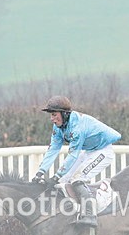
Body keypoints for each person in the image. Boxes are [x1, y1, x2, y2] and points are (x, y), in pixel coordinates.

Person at [31, 95, 121, 227]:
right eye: (51, 115)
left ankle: (90, 215)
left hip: (103, 151)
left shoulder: (77, 128)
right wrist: (40, 172)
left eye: (54, 115)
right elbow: (52, 150)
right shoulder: (58, 127)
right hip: (89, 151)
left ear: (65, 114)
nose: (52, 119)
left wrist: (55, 176)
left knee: (77, 179)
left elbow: (73, 155)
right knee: (63, 181)